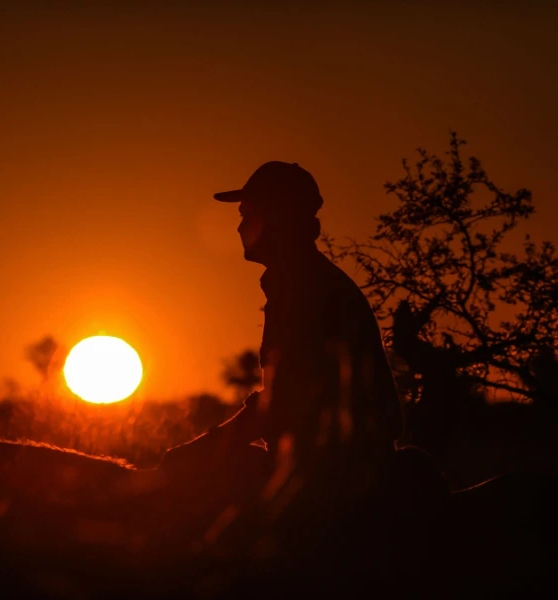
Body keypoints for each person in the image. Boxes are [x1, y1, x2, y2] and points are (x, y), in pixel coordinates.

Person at [160, 161, 405, 575]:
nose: (240, 227)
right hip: (328, 465)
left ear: (277, 217)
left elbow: (285, 399)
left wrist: (199, 452)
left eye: (247, 215)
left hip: (329, 477)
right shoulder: (305, 280)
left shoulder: (305, 287)